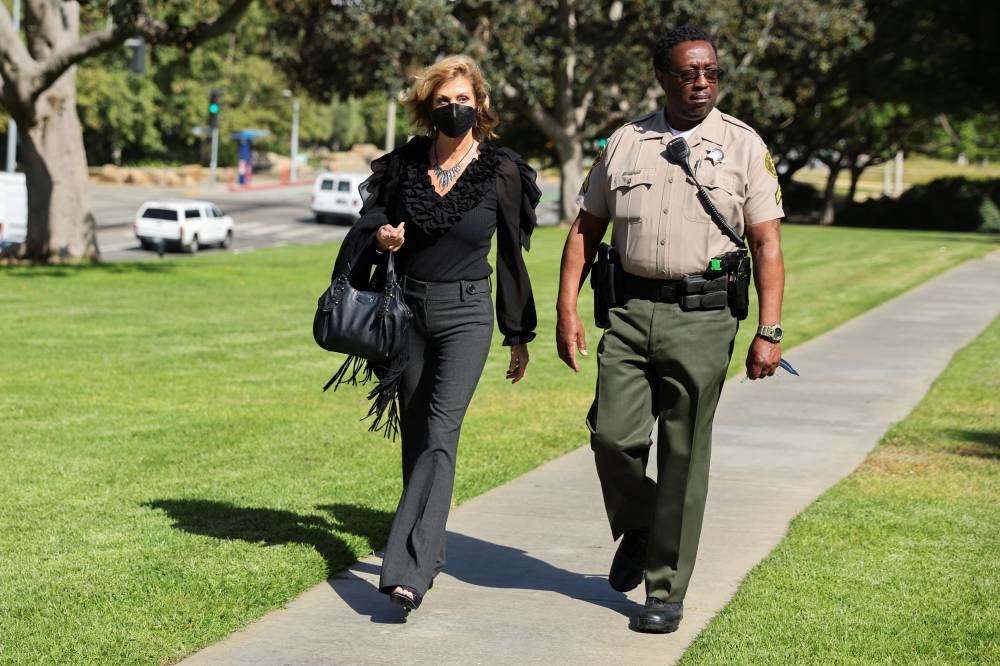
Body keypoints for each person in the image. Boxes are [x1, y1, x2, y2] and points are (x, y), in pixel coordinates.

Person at [555, 25, 785, 633]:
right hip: (629, 312)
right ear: (663, 77)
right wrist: (567, 309)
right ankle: (643, 526)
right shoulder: (626, 143)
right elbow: (585, 229)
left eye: (710, 71)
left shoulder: (742, 145)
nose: (702, 81)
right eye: (688, 72)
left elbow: (765, 242)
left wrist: (771, 330)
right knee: (611, 437)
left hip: (705, 316)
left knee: (683, 454)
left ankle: (664, 591)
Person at [329, 54, 540, 613]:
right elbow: (368, 223)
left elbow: (513, 258)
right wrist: (383, 239)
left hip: (469, 315)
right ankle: (430, 547)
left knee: (441, 431)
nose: (455, 110)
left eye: (464, 101)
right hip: (407, 313)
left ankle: (408, 570)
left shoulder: (502, 171)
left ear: (481, 106)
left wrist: (518, 333)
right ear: (429, 106)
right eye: (444, 101)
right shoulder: (403, 166)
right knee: (418, 435)